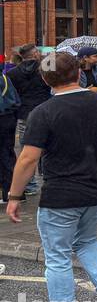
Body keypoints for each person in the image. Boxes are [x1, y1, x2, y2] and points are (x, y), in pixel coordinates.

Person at [6, 50, 97, 302]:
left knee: (58, 256)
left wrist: (14, 196)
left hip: (60, 195)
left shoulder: (44, 113)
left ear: (47, 79)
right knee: (87, 241)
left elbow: (27, 159)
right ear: (78, 73)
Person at [10, 45, 50, 197]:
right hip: (45, 110)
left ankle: (31, 184)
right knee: (47, 147)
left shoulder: (13, 72)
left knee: (27, 149)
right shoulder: (44, 69)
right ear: (34, 54)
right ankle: (47, 178)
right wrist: (47, 56)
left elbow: (14, 94)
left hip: (24, 113)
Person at [0, 62, 18, 204]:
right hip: (9, 118)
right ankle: (12, 192)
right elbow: (16, 100)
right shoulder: (5, 78)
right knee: (8, 154)